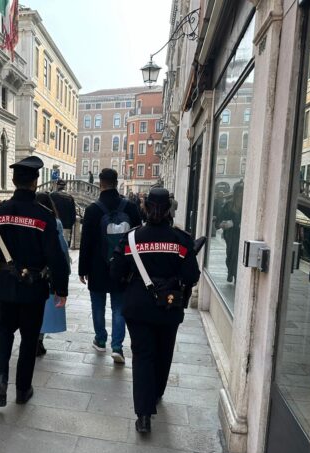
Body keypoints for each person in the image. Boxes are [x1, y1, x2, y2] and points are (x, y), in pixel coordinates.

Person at [0, 156, 69, 407]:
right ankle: (23, 389)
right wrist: (61, 289)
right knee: (29, 338)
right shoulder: (44, 216)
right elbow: (56, 256)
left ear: (14, 181)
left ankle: (1, 379)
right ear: (35, 182)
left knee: (4, 331)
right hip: (34, 288)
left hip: (6, 286)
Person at [110, 187, 201, 434]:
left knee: (142, 356)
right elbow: (192, 275)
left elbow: (115, 274)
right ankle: (157, 392)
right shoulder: (182, 240)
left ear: (145, 208)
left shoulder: (131, 239)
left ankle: (143, 415)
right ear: (170, 210)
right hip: (169, 306)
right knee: (163, 351)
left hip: (138, 306)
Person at [79, 168, 141, 363]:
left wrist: (83, 269)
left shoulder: (92, 209)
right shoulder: (131, 207)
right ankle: (117, 347)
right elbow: (138, 237)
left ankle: (100, 339)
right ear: (116, 182)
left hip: (98, 266)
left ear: (100, 183)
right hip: (122, 267)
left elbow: (85, 242)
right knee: (119, 307)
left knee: (98, 305)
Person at [35, 192, 71, 356]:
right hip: (48, 271)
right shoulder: (54, 222)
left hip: (30, 270)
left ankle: (33, 338)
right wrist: (65, 269)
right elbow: (62, 247)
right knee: (45, 306)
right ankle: (39, 340)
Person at [217, 182, 243, 282]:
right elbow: (220, 218)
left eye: (242, 193)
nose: (240, 195)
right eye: (239, 193)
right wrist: (223, 223)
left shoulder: (246, 206)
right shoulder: (229, 205)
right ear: (235, 193)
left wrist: (236, 223)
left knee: (238, 255)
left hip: (241, 234)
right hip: (230, 235)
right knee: (230, 254)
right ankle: (230, 272)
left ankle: (236, 275)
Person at [50, 179, 77, 248]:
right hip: (67, 226)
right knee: (65, 246)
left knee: (55, 246)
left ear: (57, 185)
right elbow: (73, 214)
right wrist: (70, 224)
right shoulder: (70, 197)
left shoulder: (52, 195)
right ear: (64, 186)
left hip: (55, 225)